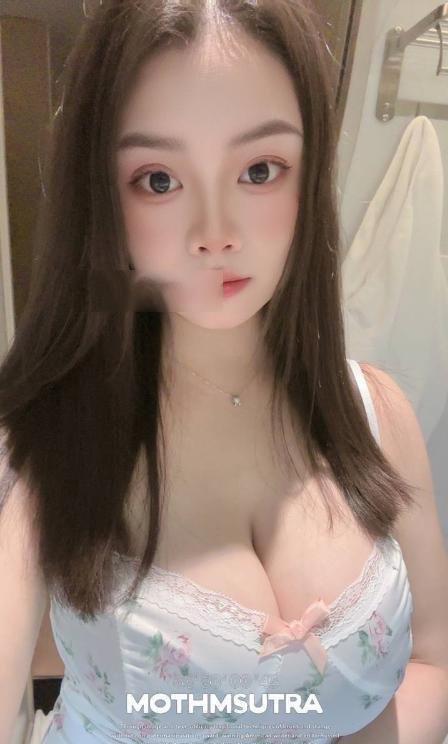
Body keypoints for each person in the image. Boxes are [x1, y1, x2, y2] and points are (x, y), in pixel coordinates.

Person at [1, 1, 447, 743]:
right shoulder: (46, 449)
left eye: (258, 170)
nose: (215, 233)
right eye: (158, 180)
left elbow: (432, 657)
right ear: (102, 199)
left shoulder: (379, 415)